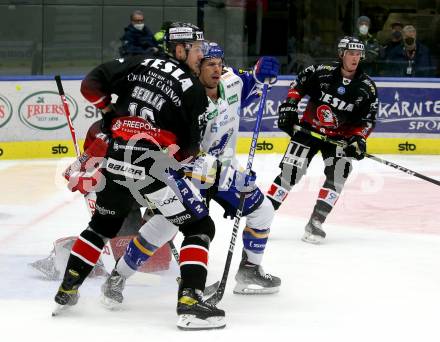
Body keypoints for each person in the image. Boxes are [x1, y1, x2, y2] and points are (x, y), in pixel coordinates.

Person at [53, 22, 228, 330]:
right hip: (152, 167)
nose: (201, 55)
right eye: (197, 49)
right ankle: (189, 305)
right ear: (179, 49)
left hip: (116, 159)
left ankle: (67, 290)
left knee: (101, 226)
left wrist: (109, 112)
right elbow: (186, 150)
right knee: (199, 225)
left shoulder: (138, 61)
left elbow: (90, 83)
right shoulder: (191, 87)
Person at [99, 42, 281, 309]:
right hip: (187, 171)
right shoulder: (183, 99)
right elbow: (175, 151)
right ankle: (118, 276)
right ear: (196, 69)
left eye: (219, 64)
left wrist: (261, 71)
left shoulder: (230, 81)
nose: (217, 70)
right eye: (209, 65)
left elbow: (253, 80)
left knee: (263, 210)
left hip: (223, 169)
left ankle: (249, 270)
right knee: (164, 227)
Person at [267, 36, 378, 244]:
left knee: (338, 174)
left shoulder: (367, 87)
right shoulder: (321, 71)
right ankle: (261, 218)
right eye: (351, 53)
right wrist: (291, 105)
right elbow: (298, 84)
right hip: (309, 130)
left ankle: (316, 221)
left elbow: (368, 120)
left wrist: (359, 139)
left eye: (358, 54)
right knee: (289, 173)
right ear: (341, 54)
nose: (355, 58)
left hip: (339, 138)